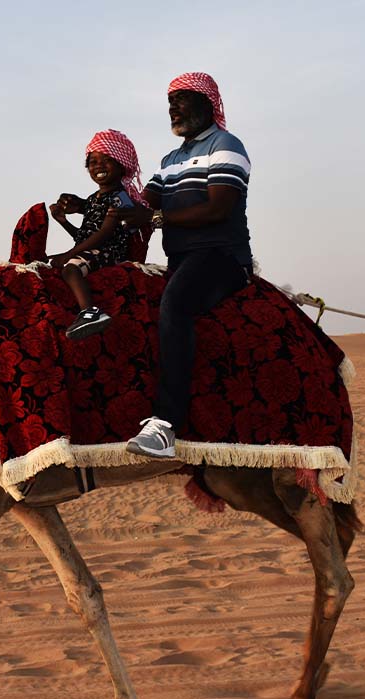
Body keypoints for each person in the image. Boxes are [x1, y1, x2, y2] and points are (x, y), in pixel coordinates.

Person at [121, 72, 253, 458]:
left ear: (208, 104)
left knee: (175, 305)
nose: (173, 108)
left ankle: (165, 425)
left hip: (220, 256)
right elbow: (143, 205)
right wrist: (93, 203)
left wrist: (155, 220)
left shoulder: (225, 145)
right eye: (170, 102)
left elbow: (218, 207)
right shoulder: (169, 160)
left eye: (182, 100)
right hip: (179, 259)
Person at [48, 130, 150, 340]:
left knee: (71, 269)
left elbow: (103, 235)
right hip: (94, 249)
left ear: (122, 165)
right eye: (92, 162)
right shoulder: (93, 198)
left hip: (109, 252)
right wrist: (64, 222)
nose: (98, 166)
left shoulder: (120, 199)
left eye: (106, 160)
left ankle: (90, 312)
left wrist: (68, 255)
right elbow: (85, 236)